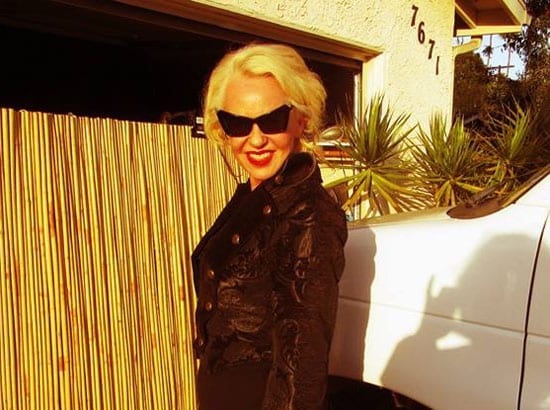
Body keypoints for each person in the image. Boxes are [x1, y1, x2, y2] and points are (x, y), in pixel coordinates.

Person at [191, 42, 348, 410]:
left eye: (272, 120)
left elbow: (301, 368)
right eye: (238, 124)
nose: (256, 139)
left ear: (301, 120)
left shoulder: (308, 214)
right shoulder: (253, 198)